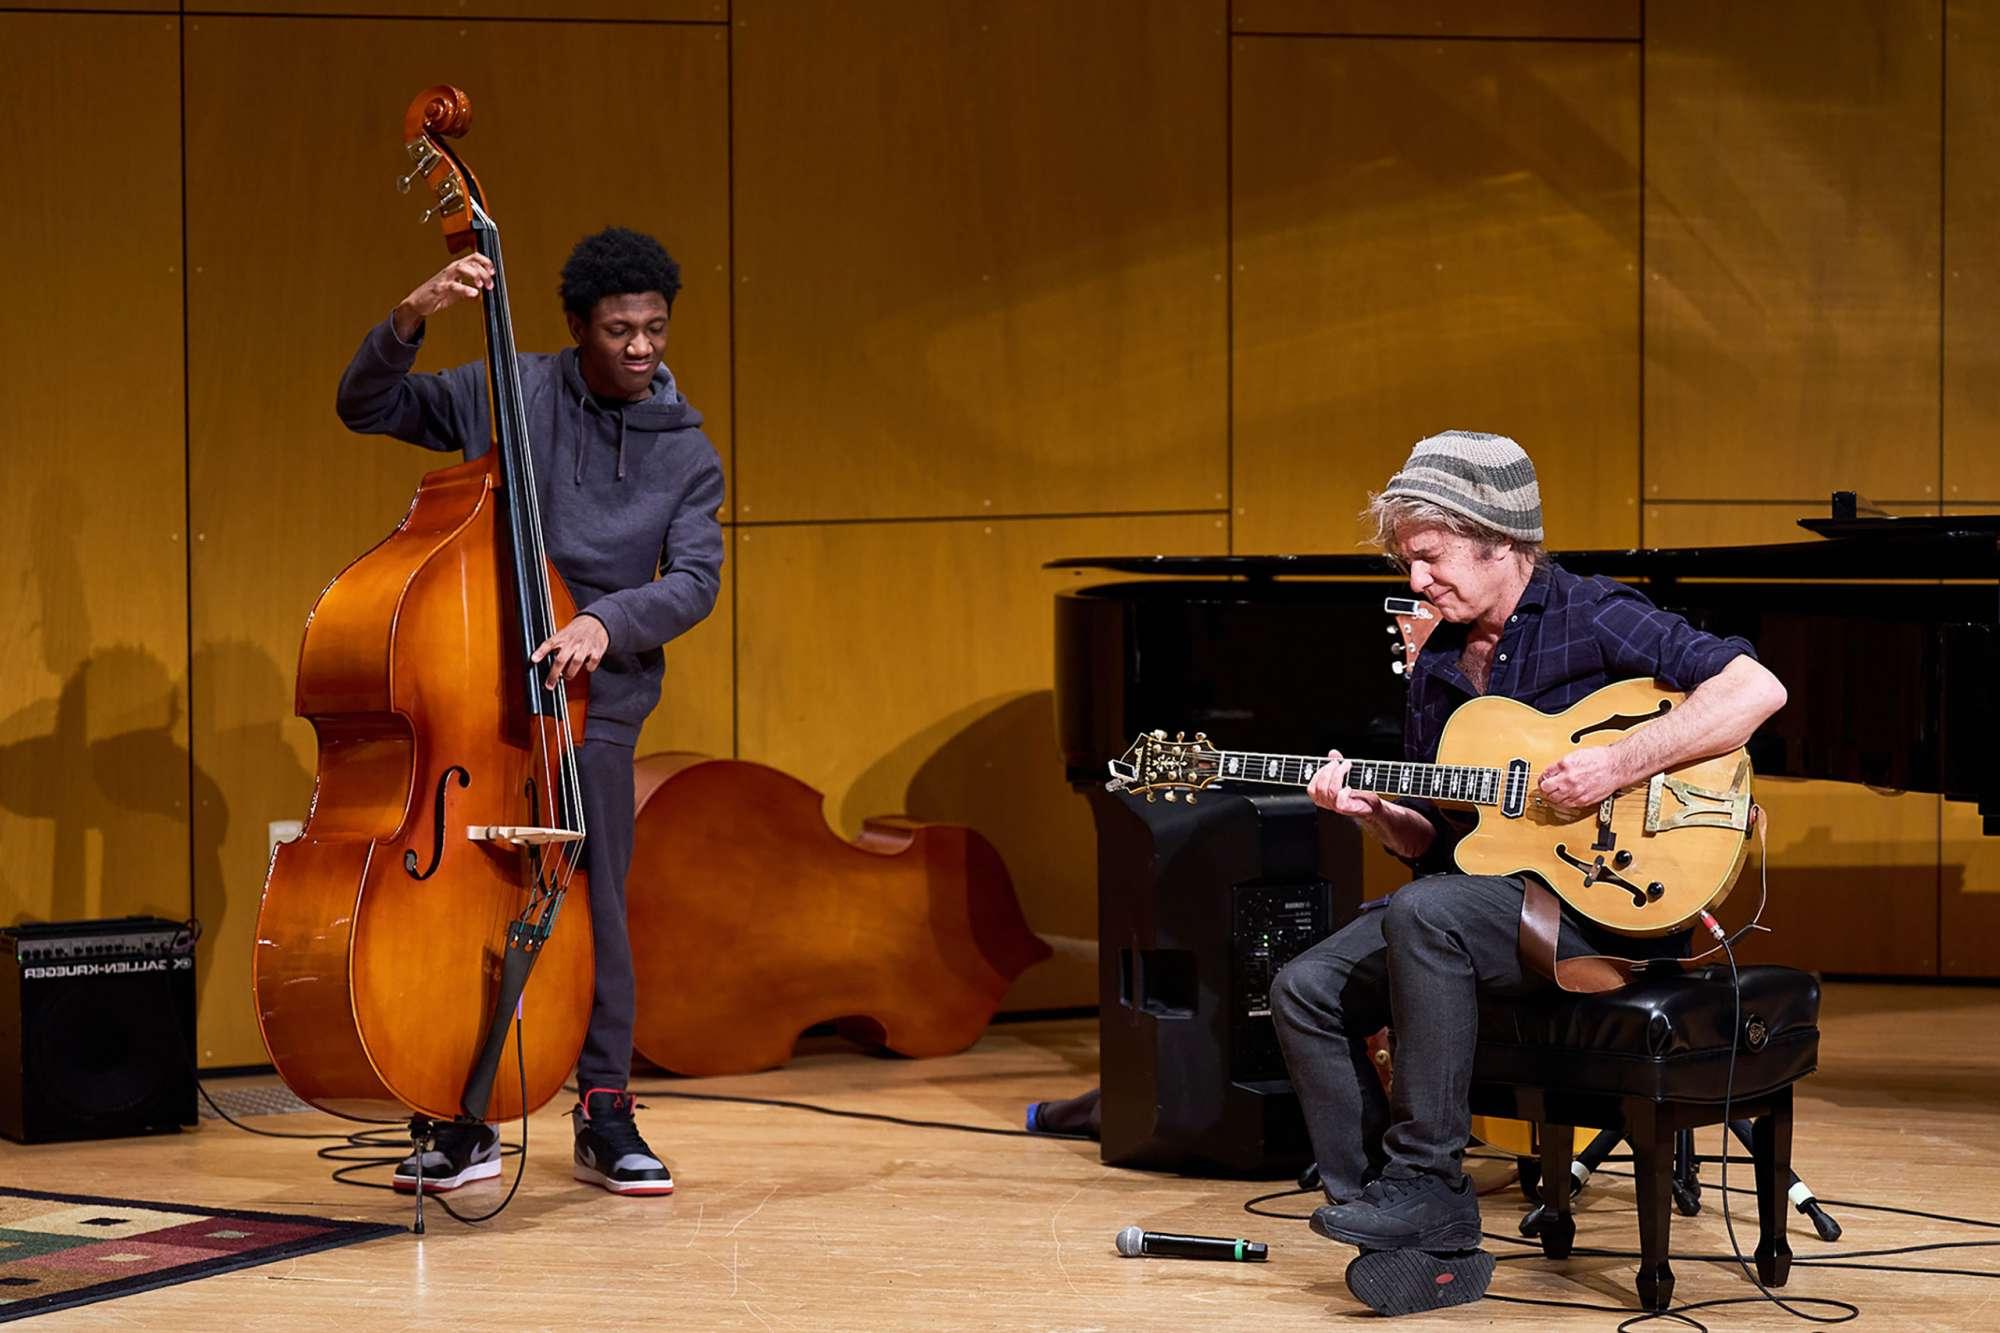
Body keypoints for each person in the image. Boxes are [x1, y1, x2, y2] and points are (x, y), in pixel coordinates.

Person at [1269, 430, 1788, 1262]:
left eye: (1431, 557)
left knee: (1425, 913)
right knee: (1304, 987)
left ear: (1497, 538)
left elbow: (1756, 687)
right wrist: (1372, 813)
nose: (1415, 582)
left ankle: (1431, 1185)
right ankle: (1378, 1210)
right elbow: (1439, 842)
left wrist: (1615, 764)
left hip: (1602, 901)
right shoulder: (1437, 660)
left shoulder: (1593, 611)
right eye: (1407, 561)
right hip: (1483, 899)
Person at [335, 226, 724, 1197]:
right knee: (467, 900)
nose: (640, 348)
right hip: (477, 688)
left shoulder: (687, 449)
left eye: (654, 329)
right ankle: (459, 1115)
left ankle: (604, 1110)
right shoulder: (505, 387)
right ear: (578, 329)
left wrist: (603, 620)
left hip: (597, 697)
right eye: (619, 329)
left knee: (595, 904)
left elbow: (694, 580)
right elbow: (364, 405)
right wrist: (412, 314)